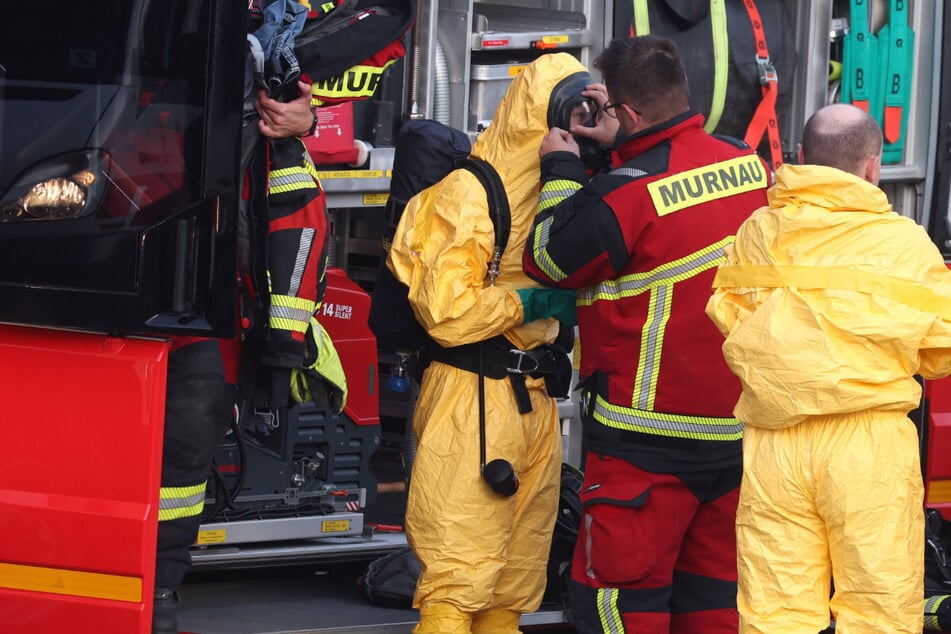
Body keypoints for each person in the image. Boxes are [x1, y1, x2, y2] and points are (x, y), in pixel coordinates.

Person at [522, 35, 770, 633]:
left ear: (625, 111)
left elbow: (549, 258)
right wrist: (624, 146)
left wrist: (562, 168)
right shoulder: (747, 162)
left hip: (643, 444)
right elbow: (673, 186)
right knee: (713, 604)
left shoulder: (623, 193)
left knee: (621, 608)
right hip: (736, 434)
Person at [706, 102, 951, 634]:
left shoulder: (757, 232)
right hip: (867, 446)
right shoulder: (904, 244)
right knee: (878, 611)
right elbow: (940, 351)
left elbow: (727, 315)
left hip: (774, 444)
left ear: (800, 157)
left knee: (776, 615)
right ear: (872, 168)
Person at [386, 52, 588, 634]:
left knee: (514, 579)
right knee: (457, 575)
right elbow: (446, 313)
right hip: (470, 398)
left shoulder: (563, 190)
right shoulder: (468, 194)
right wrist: (528, 303)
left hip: (534, 401)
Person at [151, 73, 321, 634]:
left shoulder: (263, 57)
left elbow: (298, 223)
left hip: (199, 305)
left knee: (181, 463)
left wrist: (305, 113)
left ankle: (158, 586)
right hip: (95, 283)